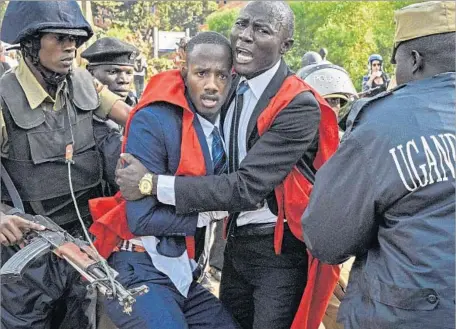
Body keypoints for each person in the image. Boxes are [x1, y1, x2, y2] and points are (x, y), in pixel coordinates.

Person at [115, 2, 340, 329]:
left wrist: (150, 183)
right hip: (233, 246)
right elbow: (172, 103)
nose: (244, 37)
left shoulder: (298, 104)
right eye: (241, 24)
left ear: (285, 45)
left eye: (261, 30)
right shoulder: (228, 84)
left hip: (277, 254)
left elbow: (247, 188)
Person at [301, 2, 455, 329]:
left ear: (414, 60)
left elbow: (326, 240)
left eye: (396, 60)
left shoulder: (381, 125)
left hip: (407, 315)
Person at [89, 31, 239, 329]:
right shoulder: (154, 118)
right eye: (201, 73)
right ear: (184, 71)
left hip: (181, 267)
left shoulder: (226, 119)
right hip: (139, 265)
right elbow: (141, 219)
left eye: (221, 75)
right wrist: (210, 211)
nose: (211, 84)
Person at [0, 1, 132, 328]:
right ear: (30, 45)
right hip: (26, 251)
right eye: (58, 38)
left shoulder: (83, 82)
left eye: (74, 39)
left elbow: (134, 120)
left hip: (84, 243)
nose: (70, 46)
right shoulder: (4, 98)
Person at [81, 37, 139, 196]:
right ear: (90, 73)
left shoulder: (137, 105)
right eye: (113, 72)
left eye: (129, 73)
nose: (123, 80)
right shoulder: (81, 114)